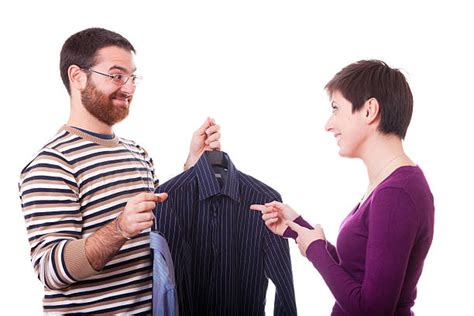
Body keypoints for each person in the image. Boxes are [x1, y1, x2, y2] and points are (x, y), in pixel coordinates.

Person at [18, 27, 221, 315]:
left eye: (131, 77)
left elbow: (160, 225)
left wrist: (192, 166)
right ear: (77, 76)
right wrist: (120, 229)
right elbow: (51, 270)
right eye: (116, 76)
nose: (128, 88)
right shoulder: (53, 163)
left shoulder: (136, 153)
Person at [251, 60, 434, 316]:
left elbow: (373, 309)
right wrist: (298, 227)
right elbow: (360, 274)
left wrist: (316, 251)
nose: (328, 124)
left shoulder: (396, 194)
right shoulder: (390, 186)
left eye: (336, 109)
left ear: (370, 110)